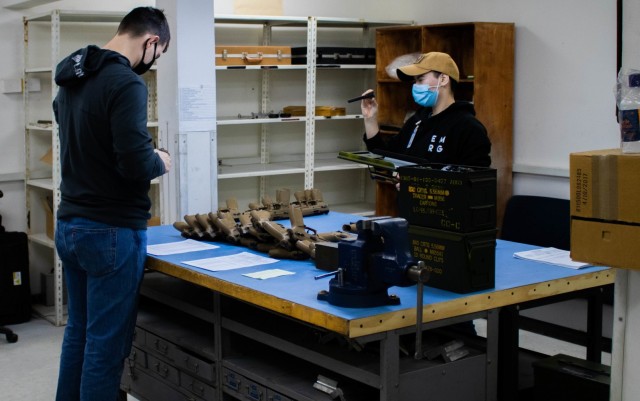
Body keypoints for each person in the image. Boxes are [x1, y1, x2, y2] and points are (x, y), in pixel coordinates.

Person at [52, 7, 171, 401]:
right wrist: (161, 160)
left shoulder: (72, 78)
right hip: (111, 231)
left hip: (71, 224)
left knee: (79, 333)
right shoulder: (125, 84)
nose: (154, 64)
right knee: (106, 345)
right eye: (160, 54)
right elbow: (135, 162)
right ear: (151, 41)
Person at [361, 51, 491, 167]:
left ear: (443, 79)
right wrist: (370, 119)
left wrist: (417, 182)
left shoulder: (469, 127)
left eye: (420, 79)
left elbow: (474, 182)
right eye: (414, 81)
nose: (415, 86)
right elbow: (384, 156)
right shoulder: (417, 121)